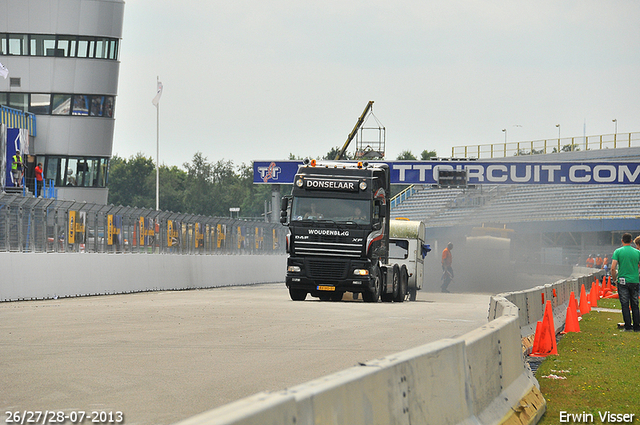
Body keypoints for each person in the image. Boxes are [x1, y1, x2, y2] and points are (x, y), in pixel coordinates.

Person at [611, 233, 640, 332]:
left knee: (625, 304)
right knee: (635, 304)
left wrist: (615, 279)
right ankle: (636, 327)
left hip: (622, 282)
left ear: (622, 241)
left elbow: (613, 268)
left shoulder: (618, 251)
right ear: (631, 241)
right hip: (635, 281)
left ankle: (628, 327)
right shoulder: (637, 252)